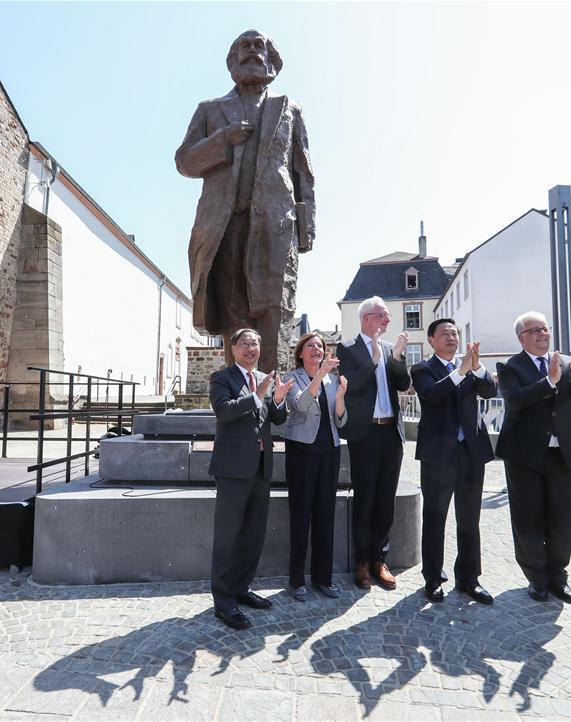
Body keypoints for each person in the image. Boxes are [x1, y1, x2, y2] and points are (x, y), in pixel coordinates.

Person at [176, 30, 315, 370]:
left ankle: (273, 392)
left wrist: (306, 229)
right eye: (244, 46)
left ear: (272, 59)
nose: (252, 52)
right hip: (224, 223)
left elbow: (303, 172)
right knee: (231, 306)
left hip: (275, 223)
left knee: (274, 305)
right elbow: (185, 162)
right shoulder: (210, 110)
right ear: (232, 60)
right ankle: (238, 391)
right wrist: (223, 139)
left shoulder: (289, 109)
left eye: (259, 46)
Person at [495, 311, 571, 604]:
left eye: (545, 329)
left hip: (562, 452)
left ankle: (558, 575)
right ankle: (536, 577)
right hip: (524, 454)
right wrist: (549, 382)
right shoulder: (510, 366)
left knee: (563, 517)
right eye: (534, 331)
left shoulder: (566, 363)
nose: (542, 334)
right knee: (528, 518)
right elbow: (515, 400)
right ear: (521, 338)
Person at [208, 328, 292, 630]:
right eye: (245, 344)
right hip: (232, 469)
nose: (251, 348)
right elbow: (223, 412)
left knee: (253, 535)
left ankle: (241, 589)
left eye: (256, 343)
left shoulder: (263, 381)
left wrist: (278, 400)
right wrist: (257, 396)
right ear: (233, 349)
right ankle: (223, 601)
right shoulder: (222, 379)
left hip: (260, 467)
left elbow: (276, 419)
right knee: (227, 538)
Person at [411, 319, 498, 604]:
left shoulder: (470, 367)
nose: (451, 337)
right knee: (435, 517)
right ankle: (433, 578)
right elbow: (432, 395)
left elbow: (489, 391)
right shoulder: (422, 369)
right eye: (445, 333)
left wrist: (478, 368)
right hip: (438, 455)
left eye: (455, 333)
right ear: (431, 340)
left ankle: (469, 579)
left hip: (471, 452)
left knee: (469, 519)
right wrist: (460, 372)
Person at [336, 296, 411, 590]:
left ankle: (381, 560)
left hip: (391, 433)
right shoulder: (348, 348)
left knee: (385, 500)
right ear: (367, 318)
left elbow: (403, 385)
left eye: (388, 316)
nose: (388, 320)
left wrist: (396, 359)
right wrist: (373, 362)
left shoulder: (393, 348)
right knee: (365, 499)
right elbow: (350, 384)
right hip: (364, 434)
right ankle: (363, 561)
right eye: (383, 315)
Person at [277, 333, 348, 602]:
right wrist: (319, 376)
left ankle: (323, 578)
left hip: (329, 450)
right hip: (302, 452)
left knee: (325, 515)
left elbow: (340, 421)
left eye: (320, 346)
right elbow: (300, 405)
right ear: (300, 353)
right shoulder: (292, 377)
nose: (316, 349)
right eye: (311, 346)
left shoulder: (332, 380)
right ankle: (296, 580)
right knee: (301, 515)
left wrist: (341, 398)